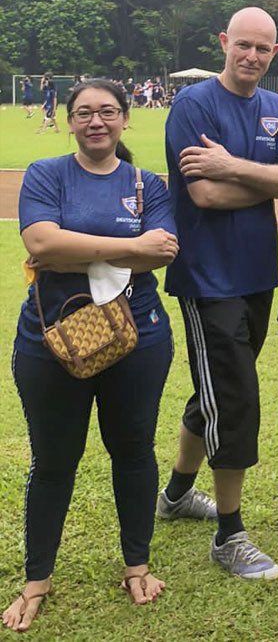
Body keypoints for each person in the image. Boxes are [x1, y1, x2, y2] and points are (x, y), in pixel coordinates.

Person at [3, 79, 178, 633]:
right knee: (53, 461)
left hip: (138, 337)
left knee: (132, 450)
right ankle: (37, 579)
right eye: (83, 112)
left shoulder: (148, 185)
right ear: (70, 120)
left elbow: (164, 251)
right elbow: (41, 244)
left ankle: (137, 565)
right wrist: (126, 247)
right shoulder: (46, 173)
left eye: (107, 111)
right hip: (49, 339)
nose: (96, 121)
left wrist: (73, 245)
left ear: (126, 119)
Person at [158, 6, 278, 581]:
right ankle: (230, 534)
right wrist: (262, 177)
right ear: (224, 42)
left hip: (255, 274)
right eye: (242, 44)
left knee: (218, 389)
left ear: (275, 53)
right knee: (236, 395)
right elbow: (206, 198)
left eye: (262, 49)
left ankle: (173, 496)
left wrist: (232, 165)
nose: (251, 56)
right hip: (207, 276)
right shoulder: (192, 105)